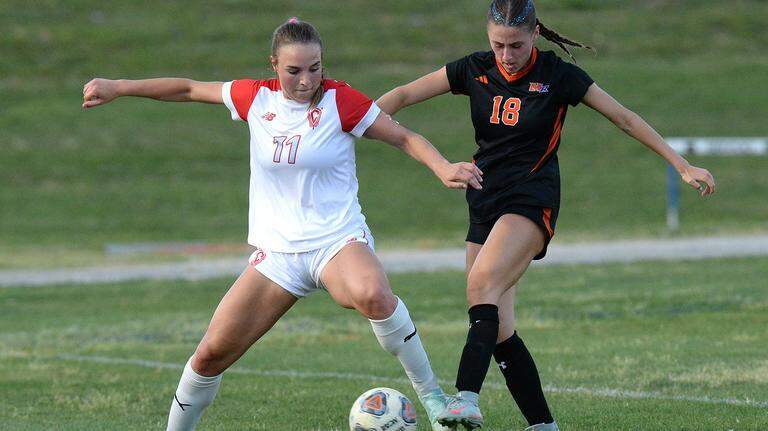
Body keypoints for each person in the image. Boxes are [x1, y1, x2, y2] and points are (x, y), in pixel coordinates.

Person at [82, 18, 484, 431]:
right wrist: (119, 86)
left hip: (336, 241)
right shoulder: (254, 98)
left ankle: (436, 402)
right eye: (294, 70)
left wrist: (441, 166)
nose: (306, 79)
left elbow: (403, 137)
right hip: (278, 256)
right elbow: (187, 88)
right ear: (274, 65)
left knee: (374, 294)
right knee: (209, 356)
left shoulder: (340, 101)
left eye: (315, 67)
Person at [376, 1, 716, 430]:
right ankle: (544, 426)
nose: (505, 54)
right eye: (497, 44)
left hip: (532, 201)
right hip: (483, 199)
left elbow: (625, 118)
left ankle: (464, 398)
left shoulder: (558, 76)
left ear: (535, 34)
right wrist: (356, 119)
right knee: (496, 327)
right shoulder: (473, 69)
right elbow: (403, 95)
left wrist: (680, 163)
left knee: (483, 284)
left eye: (515, 44)